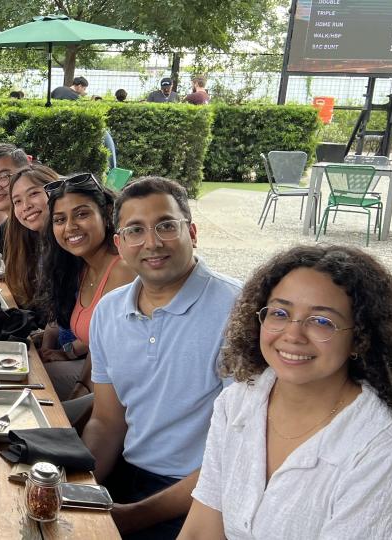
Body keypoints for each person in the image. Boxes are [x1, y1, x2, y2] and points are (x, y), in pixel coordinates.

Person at [180, 245, 392, 538]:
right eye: (280, 313)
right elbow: (201, 529)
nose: (293, 335)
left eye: (322, 321)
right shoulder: (237, 403)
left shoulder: (385, 457)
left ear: (360, 339)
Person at [84, 176, 241, 538]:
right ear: (120, 244)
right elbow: (108, 422)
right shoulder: (109, 311)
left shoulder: (237, 311)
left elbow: (239, 455)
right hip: (128, 473)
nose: (152, 242)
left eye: (167, 226)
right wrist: (81, 485)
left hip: (201, 497)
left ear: (193, 232)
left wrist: (131, 516)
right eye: (135, 231)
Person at [36, 173, 135, 423]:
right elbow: (99, 343)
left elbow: (119, 360)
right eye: (60, 219)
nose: (70, 227)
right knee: (29, 373)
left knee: (35, 413)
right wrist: (74, 366)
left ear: (107, 213)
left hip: (120, 396)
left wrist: (83, 386)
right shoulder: (81, 266)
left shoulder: (122, 271)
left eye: (82, 214)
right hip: (92, 376)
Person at [2, 164, 58, 309]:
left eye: (33, 193)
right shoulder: (29, 243)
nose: (26, 206)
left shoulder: (70, 246)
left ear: (54, 191)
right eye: (17, 201)